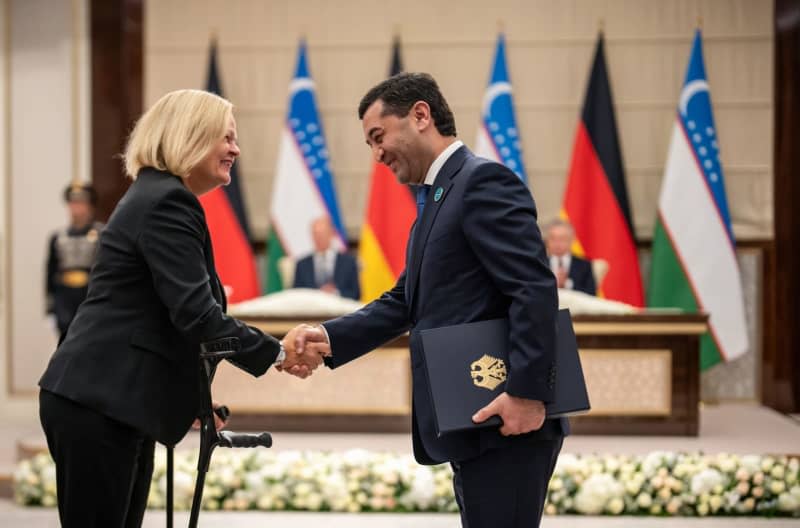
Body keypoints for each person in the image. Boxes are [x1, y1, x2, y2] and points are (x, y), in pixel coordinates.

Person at [288, 73, 567, 528]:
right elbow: (405, 301)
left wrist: (527, 394)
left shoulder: (481, 182)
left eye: (378, 137)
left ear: (421, 115)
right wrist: (327, 336)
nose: (376, 155)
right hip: (475, 416)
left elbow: (533, 289)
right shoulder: (438, 199)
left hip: (509, 417)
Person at [38, 89, 321, 528]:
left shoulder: (158, 196)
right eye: (225, 137)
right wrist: (279, 353)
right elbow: (197, 315)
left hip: (114, 401)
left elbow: (161, 319)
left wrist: (189, 396)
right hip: (97, 402)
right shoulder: (167, 202)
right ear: (191, 136)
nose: (236, 149)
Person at [45, 183, 105, 341]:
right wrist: (50, 309)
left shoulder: (101, 234)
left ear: (90, 206)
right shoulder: (58, 237)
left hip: (89, 297)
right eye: (72, 203)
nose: (76, 208)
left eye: (81, 203)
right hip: (65, 300)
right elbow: (50, 273)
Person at [292, 216, 360, 300]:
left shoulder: (348, 262)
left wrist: (335, 293)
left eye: (322, 234)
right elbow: (296, 294)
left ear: (331, 234)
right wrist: (317, 294)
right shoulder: (302, 265)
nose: (318, 238)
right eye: (315, 234)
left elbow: (356, 294)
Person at [544, 218, 596, 296]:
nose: (557, 243)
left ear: (571, 240)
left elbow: (591, 294)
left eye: (562, 239)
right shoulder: (540, 262)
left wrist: (567, 284)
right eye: (553, 238)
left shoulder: (584, 265)